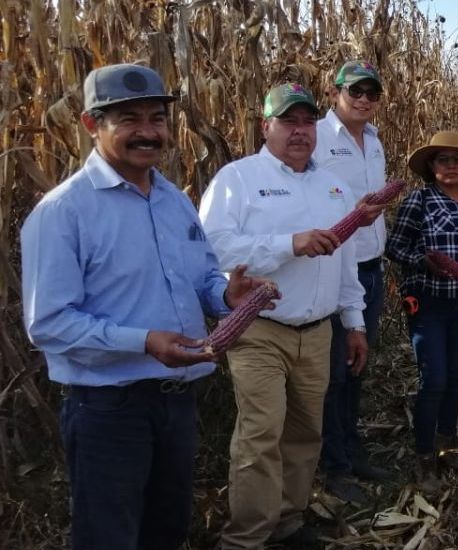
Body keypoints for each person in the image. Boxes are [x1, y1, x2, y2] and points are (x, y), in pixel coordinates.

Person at [20, 63, 272, 550]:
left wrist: (226, 295)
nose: (148, 132)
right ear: (92, 125)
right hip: (109, 410)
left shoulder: (174, 200)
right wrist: (145, 342)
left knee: (166, 529)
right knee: (109, 537)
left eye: (157, 118)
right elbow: (48, 323)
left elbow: (200, 277)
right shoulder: (63, 212)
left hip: (176, 402)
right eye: (129, 119)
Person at [198, 83, 383, 549]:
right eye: (288, 122)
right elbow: (212, 250)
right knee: (261, 435)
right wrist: (289, 243)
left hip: (317, 331)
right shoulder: (237, 179)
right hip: (259, 329)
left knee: (304, 434)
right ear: (266, 127)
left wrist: (354, 322)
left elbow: (344, 264)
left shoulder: (334, 186)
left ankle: (287, 523)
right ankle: (245, 538)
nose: (299, 131)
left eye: (306, 122)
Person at [386, 130, 458, 492]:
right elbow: (394, 248)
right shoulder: (418, 201)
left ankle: (446, 443)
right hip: (428, 304)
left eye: (457, 160)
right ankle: (424, 457)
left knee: (454, 377)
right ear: (432, 166)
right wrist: (424, 263)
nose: (450, 166)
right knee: (432, 379)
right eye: (443, 160)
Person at [313, 60, 390, 502]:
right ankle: (335, 467)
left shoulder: (374, 141)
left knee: (357, 366)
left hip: (370, 268)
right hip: (336, 270)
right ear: (334, 92)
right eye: (354, 91)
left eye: (371, 93)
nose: (363, 99)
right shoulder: (318, 138)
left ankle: (353, 451)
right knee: (334, 374)